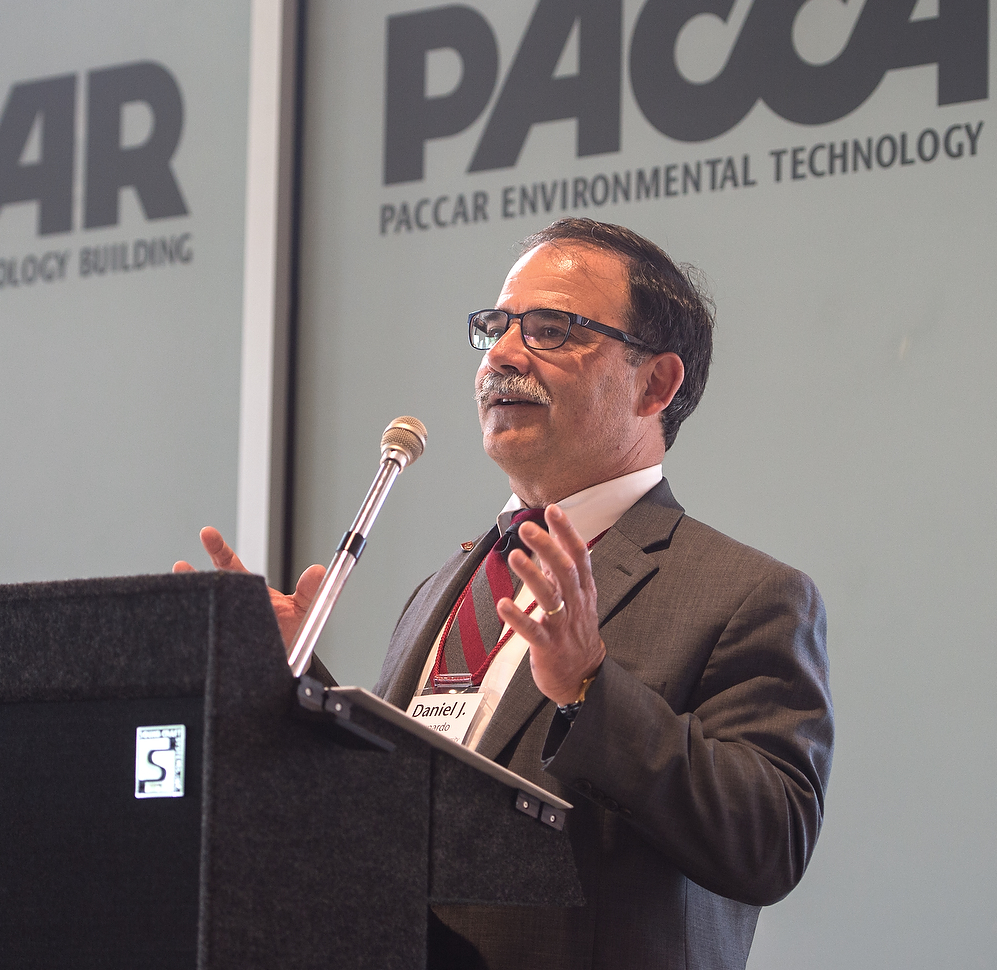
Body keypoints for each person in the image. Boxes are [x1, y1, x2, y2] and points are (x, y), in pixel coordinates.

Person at [176, 217, 833, 970]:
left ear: (656, 383)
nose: (503, 355)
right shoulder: (440, 591)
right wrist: (288, 680)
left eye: (552, 330)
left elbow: (768, 844)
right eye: (495, 327)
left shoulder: (747, 594)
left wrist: (589, 686)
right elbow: (399, 803)